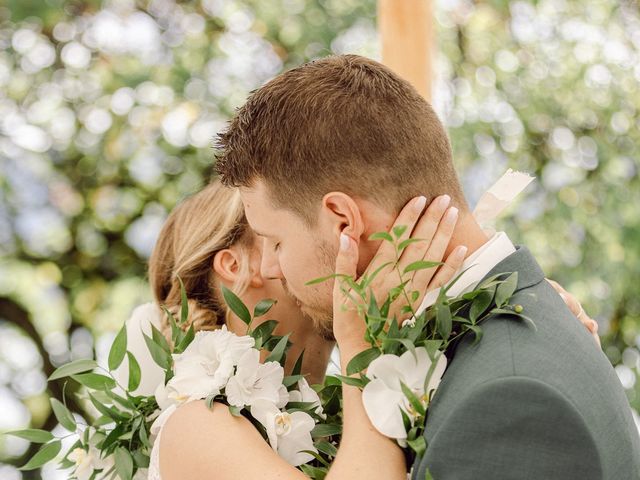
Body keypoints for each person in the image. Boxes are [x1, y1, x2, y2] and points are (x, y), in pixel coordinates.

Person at [215, 54, 640, 479]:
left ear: (344, 222)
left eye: (275, 241)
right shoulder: (518, 329)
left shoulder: (508, 400)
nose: (270, 268)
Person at [124, 178, 601, 479]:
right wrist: (361, 350)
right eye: (271, 238)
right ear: (237, 265)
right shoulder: (198, 425)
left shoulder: (352, 407)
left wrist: (533, 330)